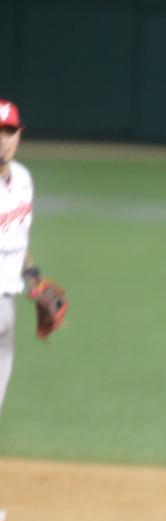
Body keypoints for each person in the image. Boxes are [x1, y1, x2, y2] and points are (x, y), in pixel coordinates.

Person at [0, 98, 68, 419]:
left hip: (8, 306)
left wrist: (35, 280)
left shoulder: (23, 179)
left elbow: (17, 238)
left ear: (19, 135)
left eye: (9, 131)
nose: (3, 139)